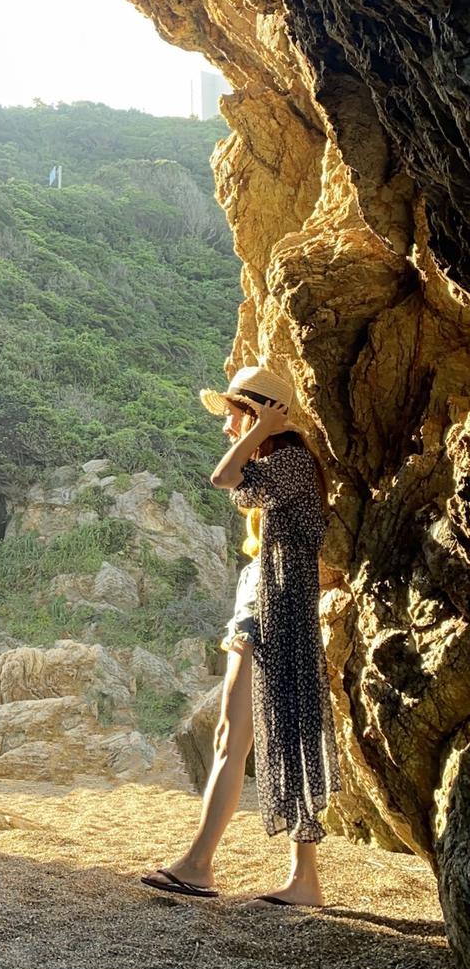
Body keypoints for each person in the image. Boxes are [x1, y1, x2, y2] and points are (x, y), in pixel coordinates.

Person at [141, 364, 338, 906]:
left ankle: (200, 864)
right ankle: (303, 880)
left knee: (241, 735)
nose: (228, 428)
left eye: (234, 416)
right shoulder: (279, 463)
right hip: (266, 597)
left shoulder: (291, 461)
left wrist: (256, 430)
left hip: (273, 606)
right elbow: (235, 484)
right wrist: (258, 433)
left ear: (260, 416)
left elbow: (222, 478)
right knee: (274, 736)